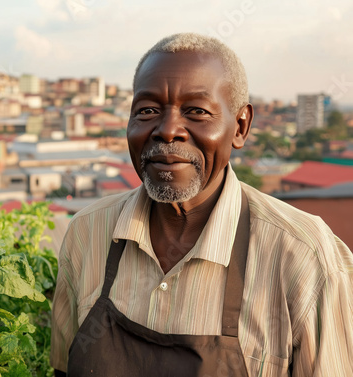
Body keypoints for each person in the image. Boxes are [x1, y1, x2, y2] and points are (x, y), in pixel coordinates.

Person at [50, 33, 353, 376]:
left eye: (196, 111)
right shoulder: (88, 232)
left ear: (240, 127)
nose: (167, 131)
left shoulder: (303, 257)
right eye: (147, 110)